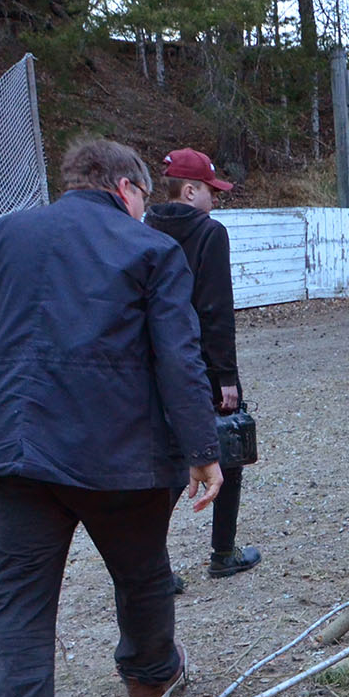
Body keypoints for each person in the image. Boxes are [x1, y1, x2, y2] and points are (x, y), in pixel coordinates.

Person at [0, 139, 222, 697]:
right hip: (118, 448)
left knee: (17, 592)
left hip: (16, 445)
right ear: (126, 188)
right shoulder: (151, 249)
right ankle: (151, 675)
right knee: (141, 569)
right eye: (143, 199)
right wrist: (203, 450)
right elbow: (178, 357)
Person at [145, 147, 261, 582]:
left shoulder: (143, 228)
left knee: (168, 463)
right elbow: (216, 310)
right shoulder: (209, 233)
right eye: (211, 189)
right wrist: (226, 376)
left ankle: (152, 566)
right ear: (189, 191)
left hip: (154, 365)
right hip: (201, 364)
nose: (215, 197)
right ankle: (223, 552)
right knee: (226, 447)